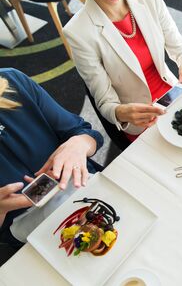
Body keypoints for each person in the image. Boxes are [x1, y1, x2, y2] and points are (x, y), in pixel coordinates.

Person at [63, 0, 182, 142]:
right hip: (140, 118)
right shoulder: (78, 31)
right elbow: (105, 102)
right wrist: (121, 112)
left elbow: (179, 48)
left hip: (172, 94)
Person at [0, 68, 104, 246]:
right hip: (30, 228)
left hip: (82, 185)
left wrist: (80, 143)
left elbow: (85, 133)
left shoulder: (11, 81)